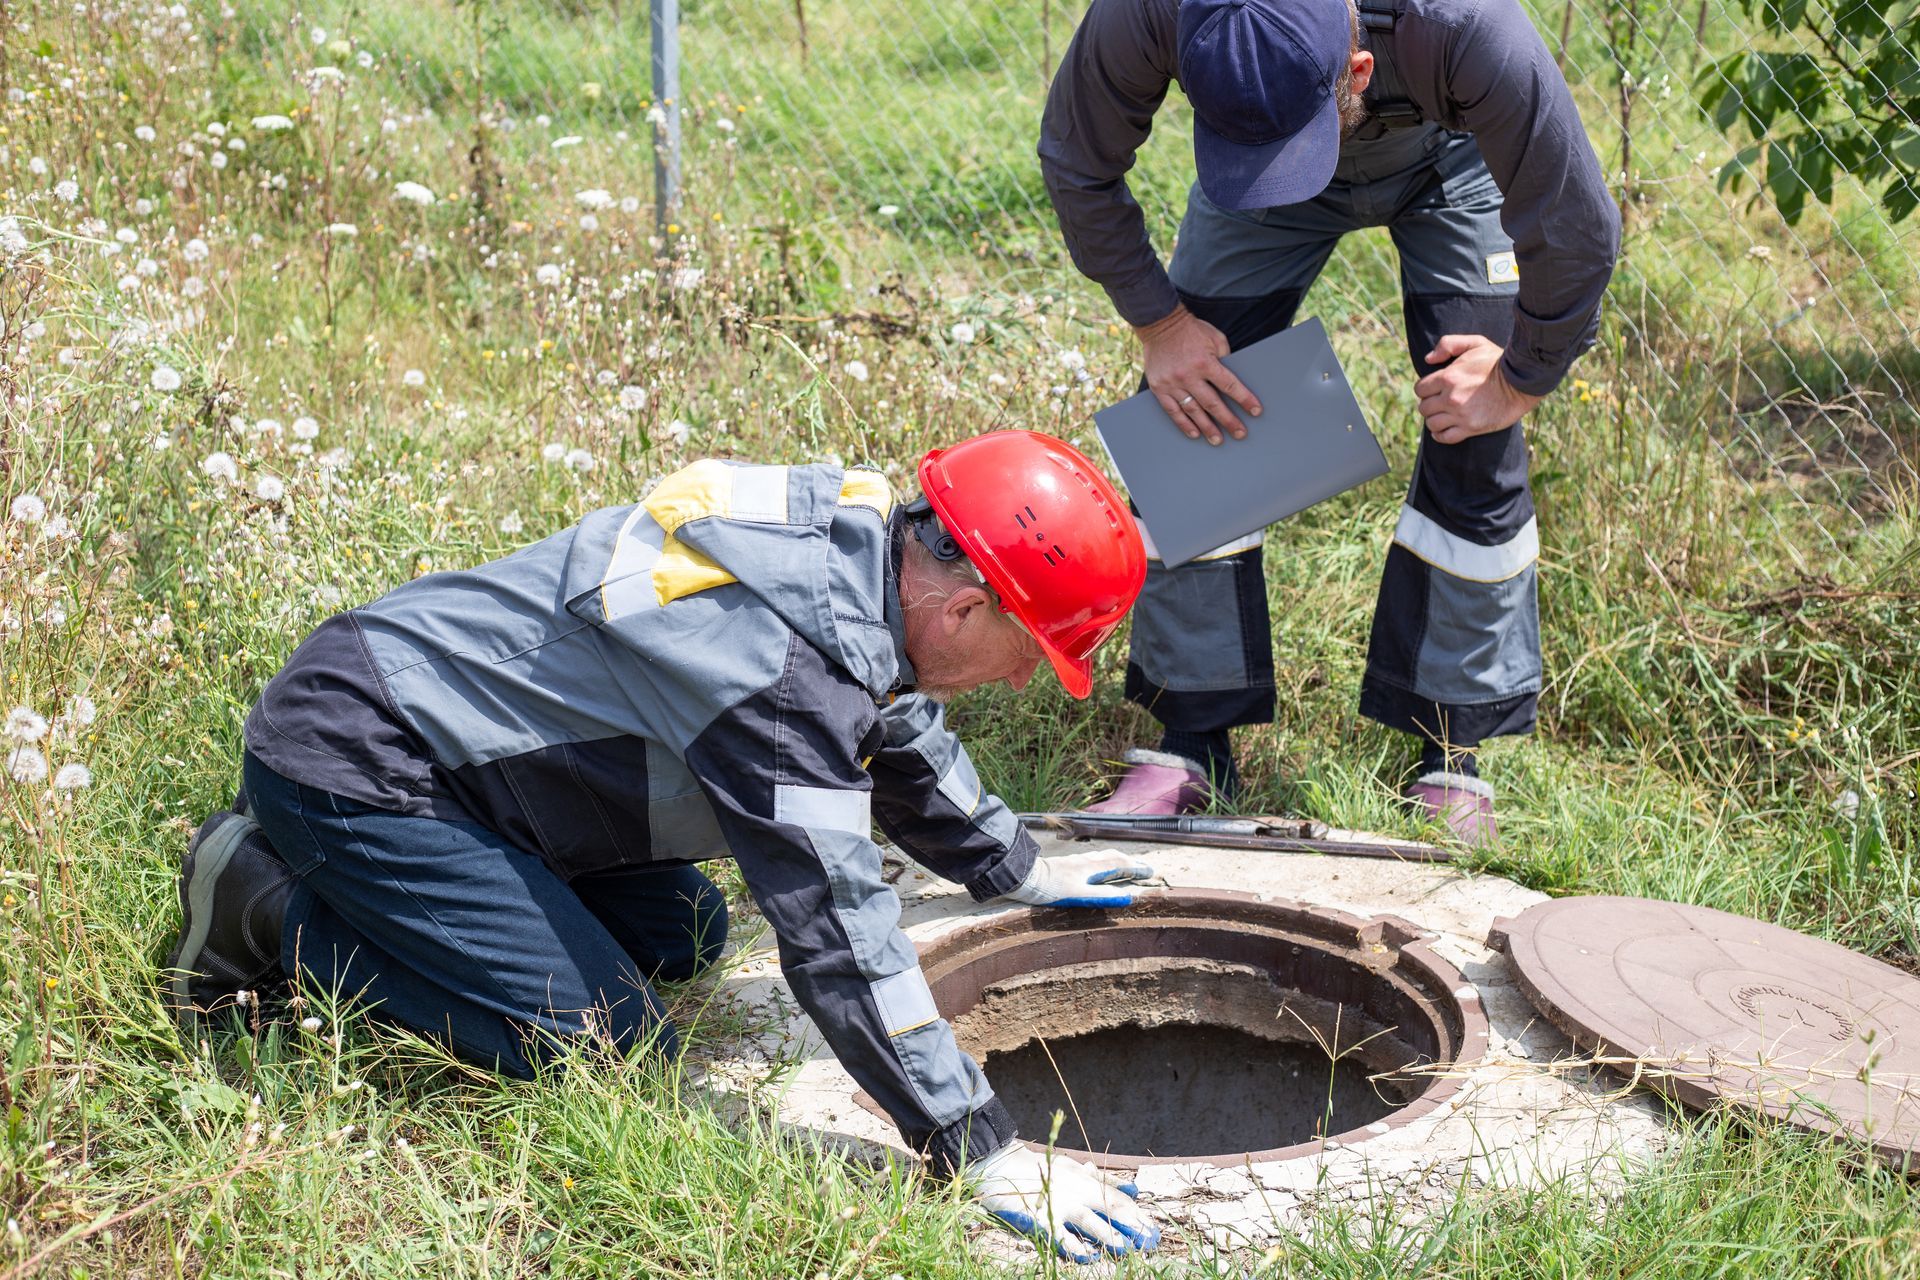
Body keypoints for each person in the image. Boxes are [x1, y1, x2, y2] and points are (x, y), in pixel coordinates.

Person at [163, 430, 1163, 1263]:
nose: (1027, 681)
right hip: (361, 759)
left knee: (687, 929)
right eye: (1034, 649)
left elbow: (893, 727)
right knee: (615, 1047)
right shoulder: (783, 676)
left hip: (474, 766)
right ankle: (261, 895)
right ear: (962, 607)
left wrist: (1018, 868)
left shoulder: (847, 558)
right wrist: (973, 1142)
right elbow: (839, 924)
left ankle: (463, 904)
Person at [1039, 0, 1620, 841]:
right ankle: (1192, 736)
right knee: (1192, 407)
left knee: (1475, 422)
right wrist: (1161, 325)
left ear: (1358, 68)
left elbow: (1578, 225)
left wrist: (1521, 378)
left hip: (1449, 160)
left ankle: (1449, 748)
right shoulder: (1151, 11)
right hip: (1260, 164)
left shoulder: (1465, 29)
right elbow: (1077, 159)